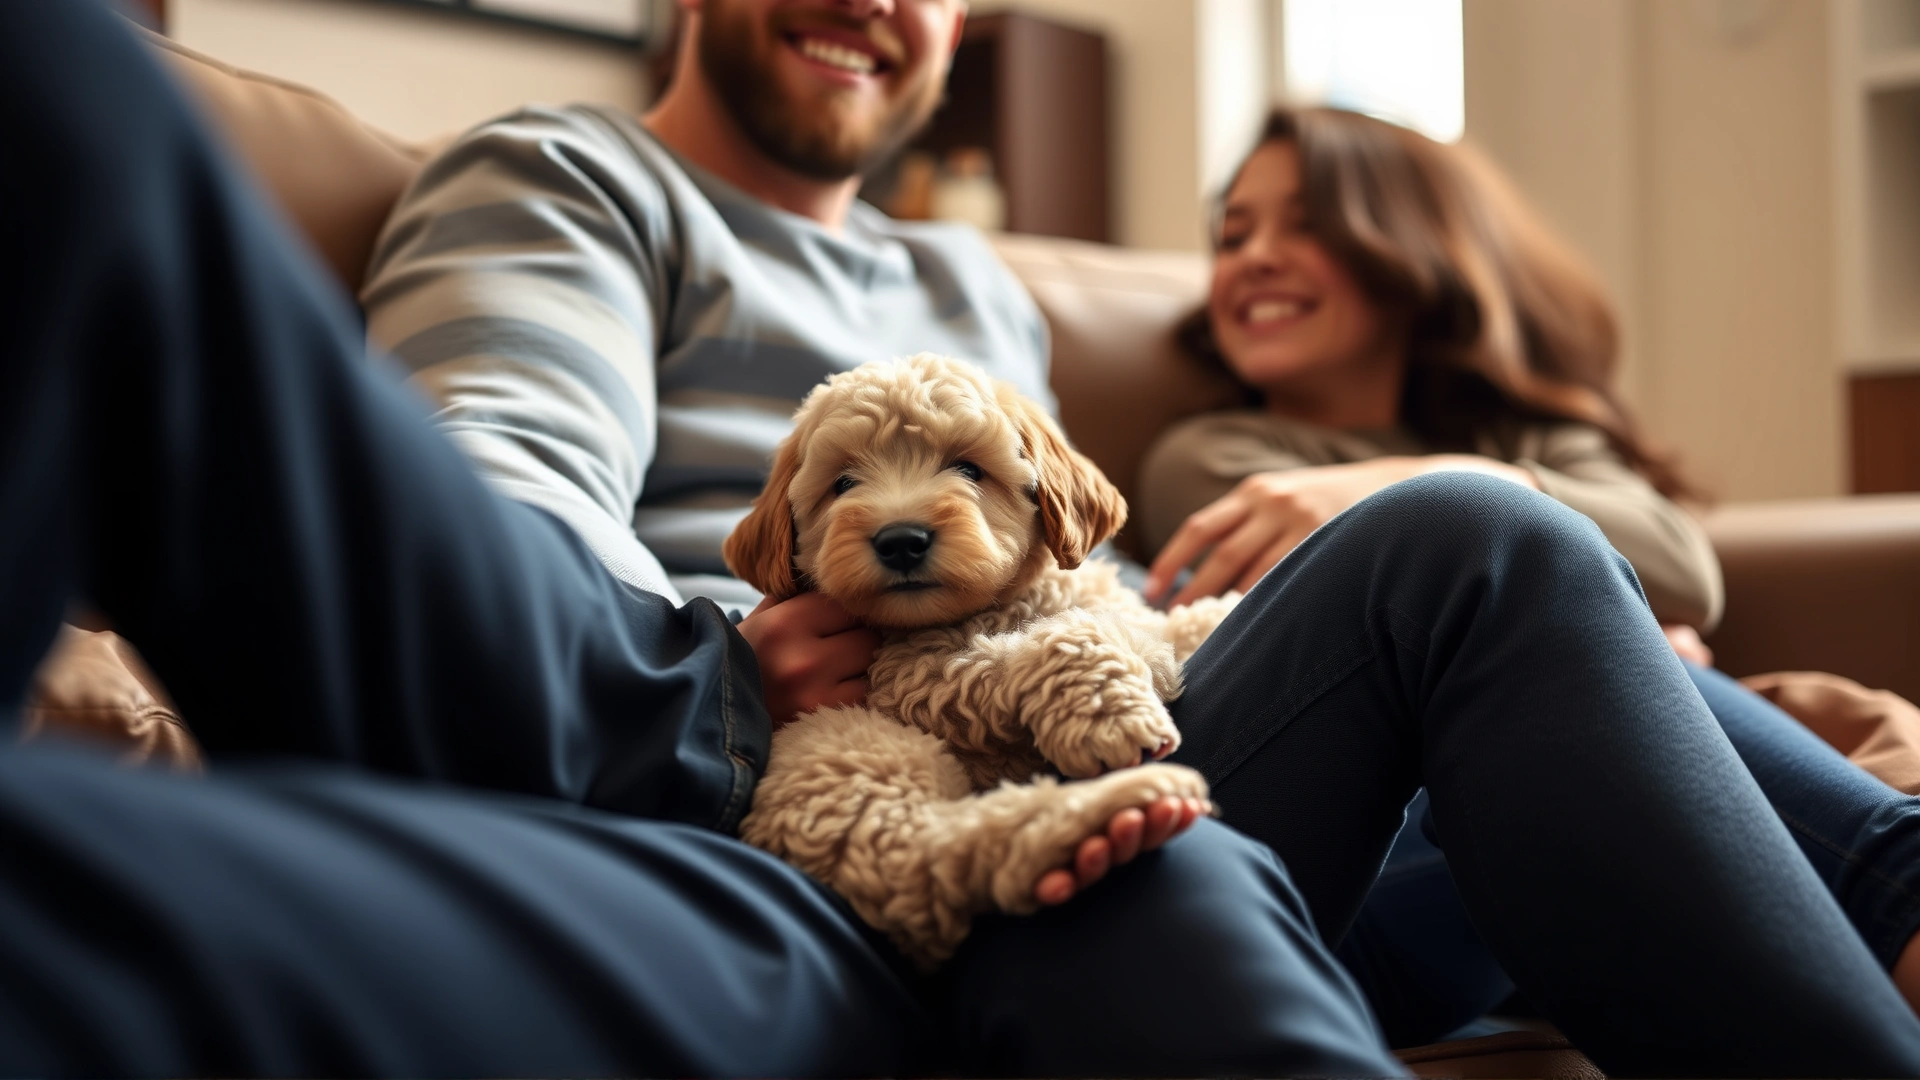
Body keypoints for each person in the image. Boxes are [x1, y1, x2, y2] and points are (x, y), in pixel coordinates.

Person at [5, 0, 1920, 1076]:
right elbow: (492, 482)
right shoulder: (574, 177)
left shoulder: (972, 282)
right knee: (1474, 549)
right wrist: (717, 648)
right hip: (815, 761)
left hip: (1087, 698)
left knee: (1518, 579)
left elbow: (1101, 537)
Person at [1138, 104, 1920, 1046]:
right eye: (1232, 234)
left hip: (1513, 856)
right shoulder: (1215, 458)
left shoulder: (1527, 436)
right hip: (1371, 861)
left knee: (1633, 667)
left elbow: (1684, 565)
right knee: (1638, 663)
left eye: (1305, 223)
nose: (1254, 255)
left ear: (1409, 249)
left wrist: (1511, 536)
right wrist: (1586, 636)